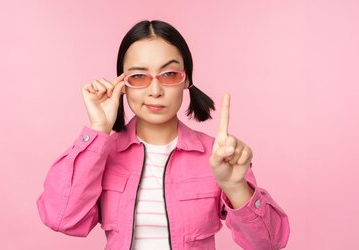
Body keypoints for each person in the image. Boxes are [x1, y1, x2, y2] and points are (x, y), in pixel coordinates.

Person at [37, 20, 290, 250]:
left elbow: (269, 243)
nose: (155, 90)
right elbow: (61, 218)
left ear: (186, 79)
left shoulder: (218, 157)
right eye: (138, 76)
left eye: (169, 74)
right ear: (122, 85)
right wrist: (97, 131)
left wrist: (235, 187)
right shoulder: (103, 153)